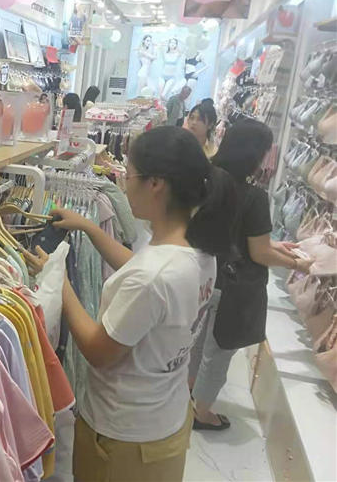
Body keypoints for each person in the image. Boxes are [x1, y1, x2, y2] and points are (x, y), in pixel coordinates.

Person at [25, 126, 237, 481]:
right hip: (165, 421)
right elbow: (141, 271)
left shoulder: (153, 276)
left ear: (155, 183)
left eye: (129, 173)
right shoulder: (197, 251)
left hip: (123, 439)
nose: (123, 182)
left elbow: (98, 351)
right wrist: (91, 229)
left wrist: (57, 280)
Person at [190, 119, 312, 430]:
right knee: (218, 354)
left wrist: (275, 245)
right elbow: (259, 253)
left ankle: (186, 399)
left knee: (196, 344)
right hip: (232, 285)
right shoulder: (253, 196)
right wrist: (298, 264)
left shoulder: (207, 178)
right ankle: (201, 413)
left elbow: (238, 234)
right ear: (254, 153)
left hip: (201, 273)